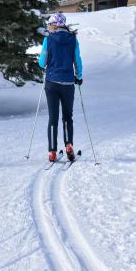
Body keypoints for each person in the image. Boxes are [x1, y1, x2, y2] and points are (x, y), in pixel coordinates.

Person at [38, 12, 83, 162]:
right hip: (68, 83)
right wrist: (79, 76)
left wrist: (47, 59)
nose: (49, 27)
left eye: (50, 24)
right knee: (67, 117)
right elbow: (77, 60)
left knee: (53, 118)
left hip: (51, 83)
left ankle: (52, 152)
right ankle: (69, 144)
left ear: (56, 25)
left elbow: (42, 62)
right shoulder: (73, 39)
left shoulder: (48, 40)